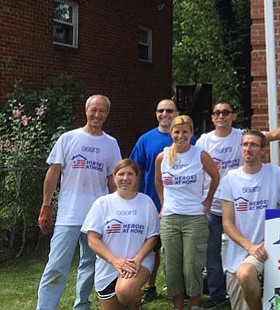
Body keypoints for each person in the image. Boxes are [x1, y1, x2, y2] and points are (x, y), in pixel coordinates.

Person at [36, 94, 122, 310]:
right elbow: (53, 172)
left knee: (90, 265)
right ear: (86, 111)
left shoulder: (111, 144)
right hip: (69, 215)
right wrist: (46, 205)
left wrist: (116, 209)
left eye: (102, 110)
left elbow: (113, 180)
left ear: (107, 114)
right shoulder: (68, 138)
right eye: (94, 109)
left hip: (97, 217)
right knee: (56, 265)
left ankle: (82, 305)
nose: (97, 114)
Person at [218, 130, 280, 310]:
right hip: (239, 250)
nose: (248, 149)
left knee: (245, 274)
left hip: (269, 247)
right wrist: (250, 247)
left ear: (263, 150)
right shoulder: (230, 179)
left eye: (253, 145)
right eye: (244, 144)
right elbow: (227, 223)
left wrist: (270, 242)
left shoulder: (275, 173)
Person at [129, 98, 193, 303]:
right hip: (152, 202)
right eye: (160, 110)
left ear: (177, 113)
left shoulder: (190, 140)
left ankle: (184, 289)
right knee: (151, 246)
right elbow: (135, 169)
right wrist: (134, 196)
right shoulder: (146, 140)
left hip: (182, 205)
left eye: (169, 110)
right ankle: (150, 286)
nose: (164, 114)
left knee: (181, 250)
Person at [155, 115, 220, 310]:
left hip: (194, 218)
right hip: (170, 218)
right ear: (171, 133)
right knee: (172, 266)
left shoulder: (200, 155)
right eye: (177, 131)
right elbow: (158, 181)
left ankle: (194, 305)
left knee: (192, 265)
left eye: (185, 131)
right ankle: (178, 306)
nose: (181, 135)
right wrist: (162, 203)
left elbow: (215, 176)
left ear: (192, 133)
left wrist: (207, 200)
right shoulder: (163, 156)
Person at [82, 159, 160, 310]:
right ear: (114, 176)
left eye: (130, 174)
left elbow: (152, 237)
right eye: (121, 174)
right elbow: (92, 240)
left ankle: (135, 305)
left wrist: (137, 260)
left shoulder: (146, 202)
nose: (125, 178)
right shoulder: (102, 203)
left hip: (138, 263)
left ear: (137, 177)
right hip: (109, 265)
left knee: (125, 290)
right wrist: (115, 261)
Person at [195, 100, 244, 309]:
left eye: (225, 112)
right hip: (212, 207)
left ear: (233, 115)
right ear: (212, 118)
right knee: (212, 254)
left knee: (243, 250)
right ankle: (218, 296)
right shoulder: (203, 141)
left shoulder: (242, 137)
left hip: (239, 206)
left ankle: (244, 289)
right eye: (217, 113)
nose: (221, 116)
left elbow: (270, 137)